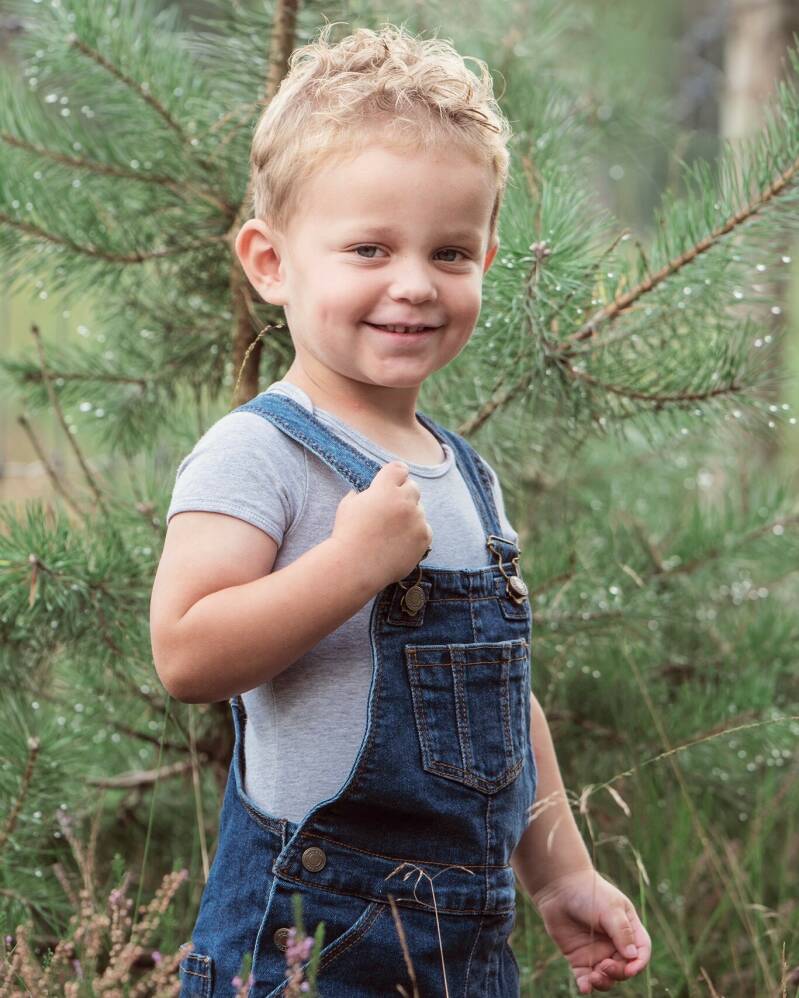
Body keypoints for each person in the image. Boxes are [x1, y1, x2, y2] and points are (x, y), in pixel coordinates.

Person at [150, 21, 652, 997]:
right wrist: (349, 568)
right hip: (304, 942)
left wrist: (560, 873)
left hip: (464, 948)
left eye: (450, 252)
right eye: (369, 248)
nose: (414, 284)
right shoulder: (260, 452)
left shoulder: (465, 475)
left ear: (486, 259)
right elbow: (186, 652)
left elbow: (497, 702)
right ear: (270, 261)